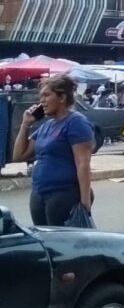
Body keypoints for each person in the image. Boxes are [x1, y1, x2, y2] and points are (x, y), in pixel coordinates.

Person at [13, 76, 95, 227]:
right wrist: (25, 124)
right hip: (39, 194)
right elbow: (19, 155)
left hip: (63, 194)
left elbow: (83, 163)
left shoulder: (76, 122)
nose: (41, 101)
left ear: (62, 97)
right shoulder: (47, 126)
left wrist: (85, 204)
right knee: (46, 243)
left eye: (46, 95)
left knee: (62, 245)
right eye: (41, 96)